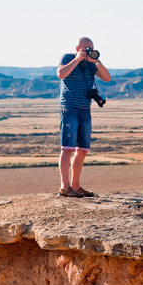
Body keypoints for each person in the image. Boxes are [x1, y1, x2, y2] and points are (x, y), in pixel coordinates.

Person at [56, 37, 110, 197]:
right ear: (77, 48)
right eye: (85, 48)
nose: (88, 51)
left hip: (85, 110)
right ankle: (64, 187)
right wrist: (77, 59)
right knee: (67, 148)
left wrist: (96, 61)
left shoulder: (91, 64)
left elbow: (107, 77)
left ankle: (75, 186)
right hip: (70, 108)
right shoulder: (68, 57)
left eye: (91, 49)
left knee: (83, 150)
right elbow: (61, 74)